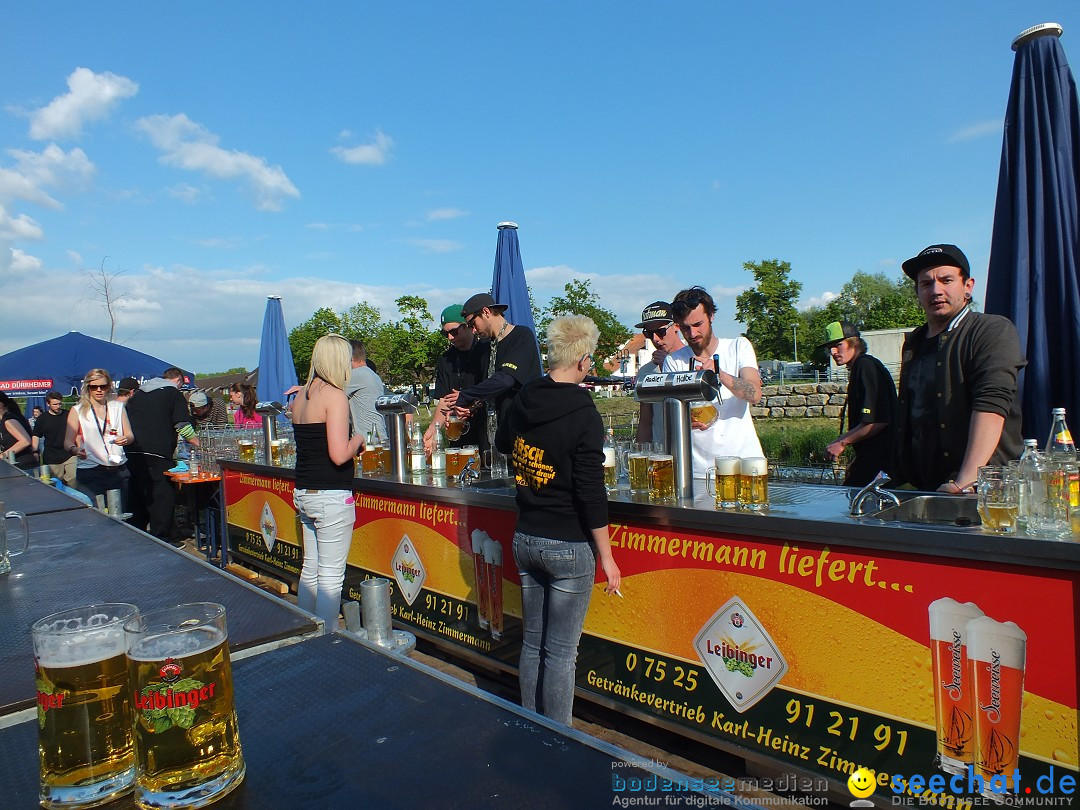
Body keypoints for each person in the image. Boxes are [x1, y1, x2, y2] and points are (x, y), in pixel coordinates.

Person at [494, 315, 621, 725]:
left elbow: (501, 443)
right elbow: (590, 491)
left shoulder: (526, 397)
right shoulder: (584, 412)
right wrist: (607, 555)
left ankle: (531, 728)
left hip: (526, 536)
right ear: (583, 360)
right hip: (567, 543)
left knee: (533, 645)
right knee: (562, 652)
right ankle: (558, 741)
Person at [895, 244, 1025, 493]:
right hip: (926, 489)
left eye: (946, 280)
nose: (936, 290)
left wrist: (964, 481)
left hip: (984, 490)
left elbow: (992, 403)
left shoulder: (992, 330)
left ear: (968, 287)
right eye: (926, 283)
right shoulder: (914, 342)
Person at [291, 334, 365, 625]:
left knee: (310, 570)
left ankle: (305, 629)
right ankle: (326, 640)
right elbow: (338, 455)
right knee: (332, 578)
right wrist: (358, 439)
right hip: (331, 495)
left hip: (304, 491)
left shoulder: (301, 396)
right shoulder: (334, 396)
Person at [662, 286, 764, 476]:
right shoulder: (674, 361)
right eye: (685, 328)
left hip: (745, 466)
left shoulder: (738, 346)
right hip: (699, 471)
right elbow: (672, 413)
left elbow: (754, 394)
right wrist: (686, 420)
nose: (692, 334)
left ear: (711, 316)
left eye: (698, 324)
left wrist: (719, 374)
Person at [446, 293, 542, 449]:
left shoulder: (522, 336)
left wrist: (465, 396)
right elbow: (484, 389)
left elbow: (505, 380)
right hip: (490, 441)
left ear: (486, 312)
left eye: (472, 324)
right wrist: (466, 409)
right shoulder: (483, 347)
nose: (473, 331)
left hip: (520, 436)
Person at [125, 368, 200, 545]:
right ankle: (161, 540)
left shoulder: (138, 395)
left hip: (132, 452)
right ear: (178, 382)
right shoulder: (173, 394)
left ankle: (136, 537)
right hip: (158, 453)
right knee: (162, 497)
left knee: (138, 496)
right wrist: (200, 444)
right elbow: (183, 425)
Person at [820, 321, 898, 486]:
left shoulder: (865, 366)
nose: (833, 352)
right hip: (874, 457)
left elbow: (878, 421)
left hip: (882, 460)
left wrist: (842, 443)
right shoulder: (860, 367)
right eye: (830, 348)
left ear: (854, 342)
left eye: (838, 345)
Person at [424, 304, 490, 456]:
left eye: (454, 332)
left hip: (484, 429)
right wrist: (433, 430)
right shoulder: (446, 359)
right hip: (458, 433)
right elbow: (444, 400)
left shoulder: (485, 351)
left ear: (468, 326)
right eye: (445, 333)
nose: (450, 337)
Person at [65, 369, 134, 507]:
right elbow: (67, 441)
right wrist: (74, 449)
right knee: (96, 515)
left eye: (103, 386)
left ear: (109, 387)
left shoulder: (117, 407)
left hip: (118, 470)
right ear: (87, 388)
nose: (99, 390)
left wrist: (125, 439)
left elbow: (130, 434)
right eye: (94, 387)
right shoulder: (77, 410)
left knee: (119, 513)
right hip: (90, 470)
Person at [632, 301, 686, 445]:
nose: (655, 339)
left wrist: (668, 366)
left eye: (661, 331)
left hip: (694, 452)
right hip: (662, 456)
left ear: (676, 326)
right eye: (649, 333)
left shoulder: (695, 362)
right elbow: (645, 422)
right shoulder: (646, 371)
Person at [344, 340, 388, 443]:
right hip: (378, 436)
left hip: (367, 440)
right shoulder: (372, 374)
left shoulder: (357, 375)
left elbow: (330, 393)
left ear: (351, 358)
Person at [32, 391, 77, 485]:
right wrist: (34, 451)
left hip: (69, 453)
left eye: (60, 403)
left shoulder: (68, 415)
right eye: (55, 404)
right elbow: (36, 435)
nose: (58, 406)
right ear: (48, 404)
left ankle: (74, 497)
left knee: (73, 479)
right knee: (56, 482)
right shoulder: (42, 419)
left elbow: (77, 432)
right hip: (52, 456)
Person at [0, 392, 36, 469]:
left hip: (22, 464)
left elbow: (25, 441)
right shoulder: (6, 419)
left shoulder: (9, 419)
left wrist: (3, 456)